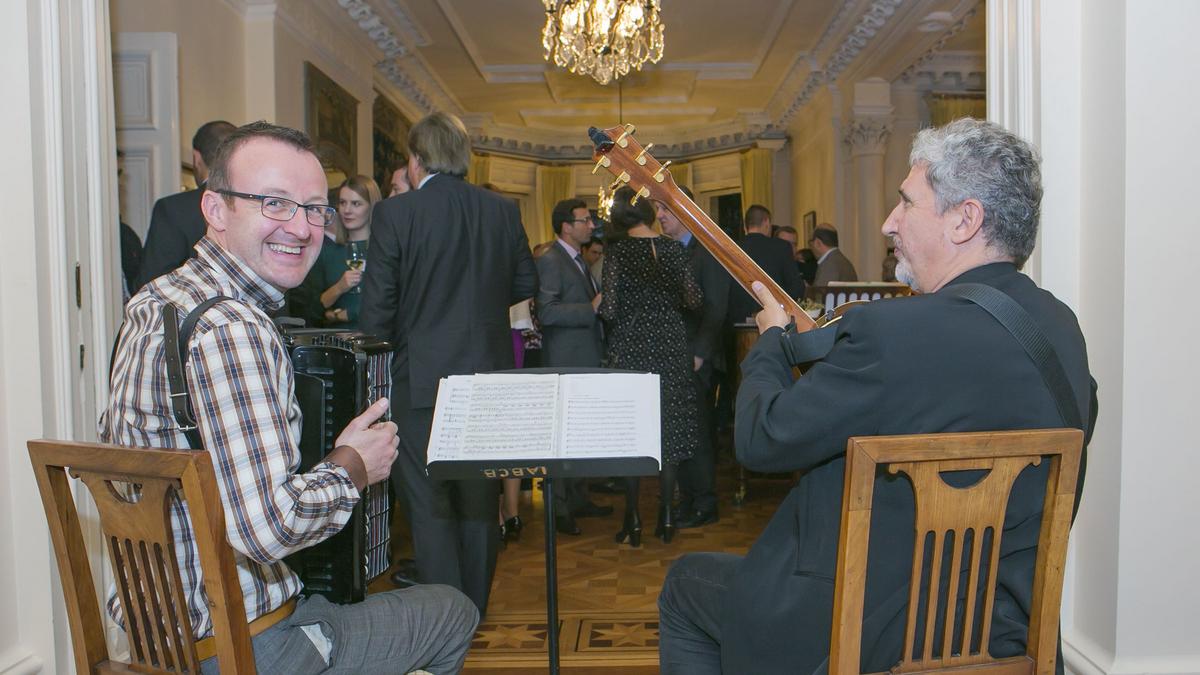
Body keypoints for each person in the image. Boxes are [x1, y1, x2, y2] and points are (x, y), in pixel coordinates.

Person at [657, 118, 1097, 675]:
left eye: (907, 202)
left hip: (874, 638)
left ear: (964, 220)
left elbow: (761, 439)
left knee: (683, 585)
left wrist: (769, 344)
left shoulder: (895, 333)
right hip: (1007, 631)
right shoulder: (1062, 329)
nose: (889, 222)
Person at [102, 121, 478, 674]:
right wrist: (354, 464)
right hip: (241, 645)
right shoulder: (232, 327)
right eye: (274, 203)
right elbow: (268, 528)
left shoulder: (158, 298)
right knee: (453, 610)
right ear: (215, 208)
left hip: (158, 635)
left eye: (314, 209)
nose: (301, 228)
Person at [360, 111, 538, 615]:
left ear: (416, 160)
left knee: (429, 505)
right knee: (480, 503)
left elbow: (377, 312)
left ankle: (446, 622)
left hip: (420, 376)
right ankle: (475, 609)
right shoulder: (501, 211)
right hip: (488, 379)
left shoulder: (397, 213)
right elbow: (526, 283)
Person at [600, 186, 703, 546]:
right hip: (671, 347)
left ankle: (632, 518)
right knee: (669, 431)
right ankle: (668, 515)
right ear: (647, 212)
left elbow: (609, 309)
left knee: (632, 432)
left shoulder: (617, 252)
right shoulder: (674, 249)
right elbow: (694, 299)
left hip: (632, 349)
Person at [535, 198, 612, 536]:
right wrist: (590, 308)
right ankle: (560, 509)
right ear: (567, 226)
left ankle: (579, 498)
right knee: (562, 437)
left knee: (580, 434)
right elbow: (547, 312)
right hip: (565, 362)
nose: (592, 225)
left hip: (584, 358)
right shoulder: (550, 259)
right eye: (585, 220)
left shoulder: (577, 260)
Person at [655, 186, 729, 529]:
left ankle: (705, 503)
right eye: (657, 210)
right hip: (674, 356)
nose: (659, 216)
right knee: (679, 433)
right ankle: (687, 500)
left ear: (685, 211)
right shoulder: (668, 250)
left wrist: (700, 353)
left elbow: (716, 307)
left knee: (697, 433)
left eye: (665, 209)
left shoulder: (707, 251)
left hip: (695, 357)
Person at [135, 120, 237, 290]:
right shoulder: (257, 204)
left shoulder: (173, 209)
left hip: (193, 305)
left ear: (197, 157)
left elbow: (152, 282)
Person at [296, 175, 381, 328]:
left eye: (356, 204)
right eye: (342, 203)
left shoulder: (385, 250)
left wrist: (351, 313)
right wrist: (339, 288)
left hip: (378, 338)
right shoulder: (326, 252)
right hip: (336, 339)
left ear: (372, 206)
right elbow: (311, 311)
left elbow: (396, 302)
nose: (347, 210)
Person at [727, 204, 804, 324]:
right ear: (766, 222)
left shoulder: (732, 248)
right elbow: (796, 288)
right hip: (774, 320)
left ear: (746, 225)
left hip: (738, 321)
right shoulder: (781, 247)